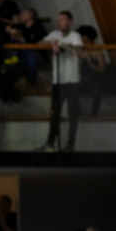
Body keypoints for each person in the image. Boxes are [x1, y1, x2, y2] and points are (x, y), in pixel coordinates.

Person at [40, 11, 84, 152]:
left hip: (72, 80)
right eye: (59, 20)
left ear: (70, 21)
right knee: (54, 112)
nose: (60, 23)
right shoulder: (54, 34)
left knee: (72, 113)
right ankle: (50, 142)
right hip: (58, 80)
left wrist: (61, 44)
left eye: (63, 20)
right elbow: (40, 43)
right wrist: (50, 44)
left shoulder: (74, 35)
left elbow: (78, 48)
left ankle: (71, 142)